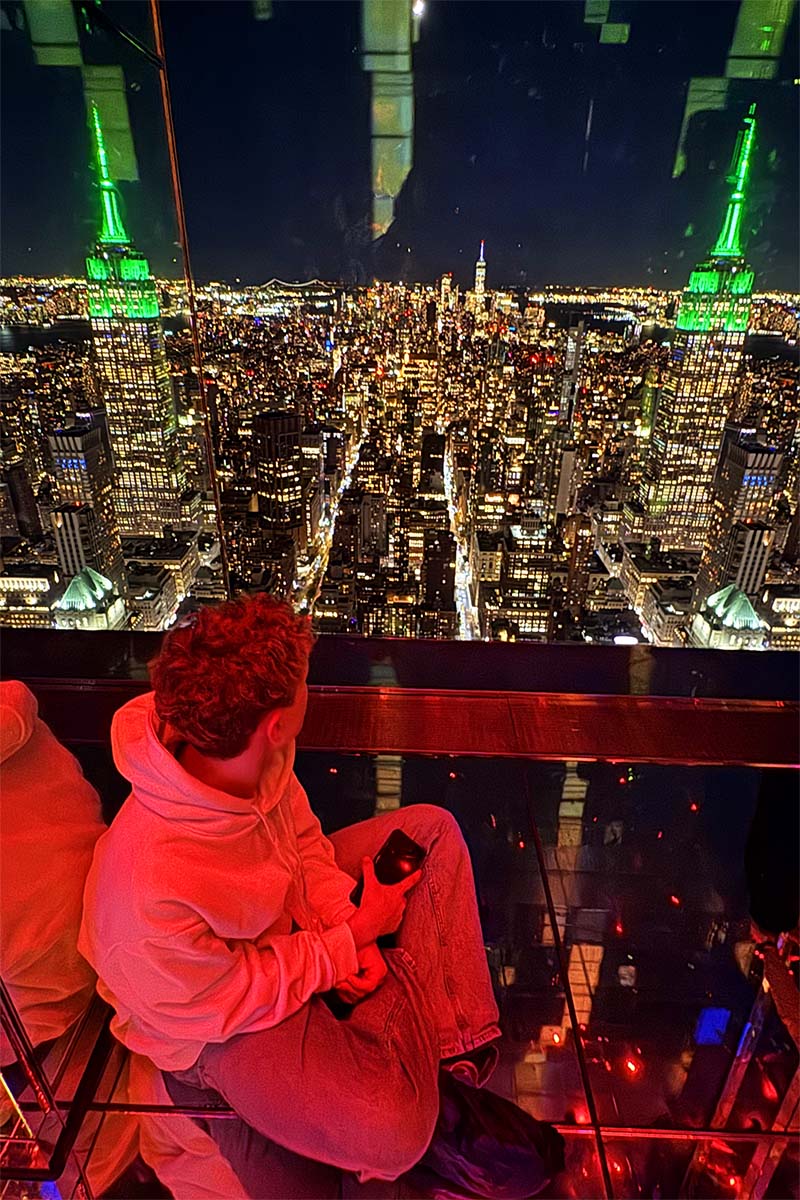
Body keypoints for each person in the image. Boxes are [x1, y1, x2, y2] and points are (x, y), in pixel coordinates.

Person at [79, 595, 500, 1188]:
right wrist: (353, 938)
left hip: (284, 931)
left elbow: (301, 846)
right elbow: (227, 996)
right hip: (208, 1027)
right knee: (392, 1130)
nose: (313, 691)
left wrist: (342, 920)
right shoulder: (145, 887)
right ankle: (428, 1084)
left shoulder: (252, 754)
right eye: (306, 684)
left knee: (432, 831)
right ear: (277, 719)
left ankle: (449, 1066)